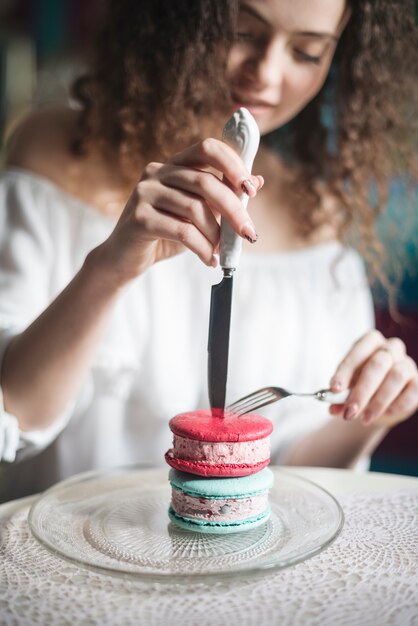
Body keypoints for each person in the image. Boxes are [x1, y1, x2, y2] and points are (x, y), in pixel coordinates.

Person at [0, 0, 417, 501]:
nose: (266, 74)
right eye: (242, 31)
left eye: (306, 52)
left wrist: (371, 414)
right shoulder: (55, 152)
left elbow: (289, 479)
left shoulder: (319, 216)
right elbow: (13, 414)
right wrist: (110, 267)